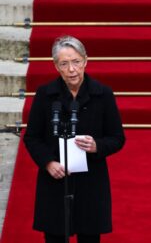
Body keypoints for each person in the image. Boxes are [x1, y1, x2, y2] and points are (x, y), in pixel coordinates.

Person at [23, 35, 125, 243]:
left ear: (85, 61)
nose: (72, 69)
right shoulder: (45, 95)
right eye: (64, 64)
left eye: (76, 62)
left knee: (89, 236)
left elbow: (117, 138)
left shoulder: (102, 94)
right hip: (55, 180)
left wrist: (97, 146)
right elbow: (32, 137)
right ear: (56, 66)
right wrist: (48, 162)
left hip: (91, 181)